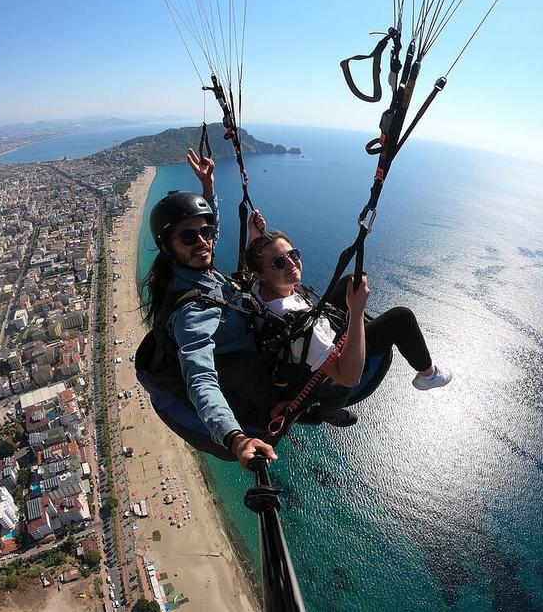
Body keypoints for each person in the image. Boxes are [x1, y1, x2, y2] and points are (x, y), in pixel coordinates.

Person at [138, 148, 278, 470]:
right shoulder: (191, 311)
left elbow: (201, 236)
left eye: (207, 232)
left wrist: (208, 190)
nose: (203, 241)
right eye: (189, 236)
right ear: (167, 246)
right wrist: (235, 438)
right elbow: (199, 376)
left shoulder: (190, 269)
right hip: (246, 369)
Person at [245, 219, 451, 425]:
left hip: (302, 343)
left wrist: (254, 235)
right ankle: (429, 375)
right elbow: (349, 377)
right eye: (280, 262)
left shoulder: (258, 288)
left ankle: (326, 410)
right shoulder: (303, 329)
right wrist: (357, 311)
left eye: (293, 254)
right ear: (262, 274)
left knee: (350, 281)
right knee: (402, 318)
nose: (291, 263)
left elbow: (257, 268)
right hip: (324, 366)